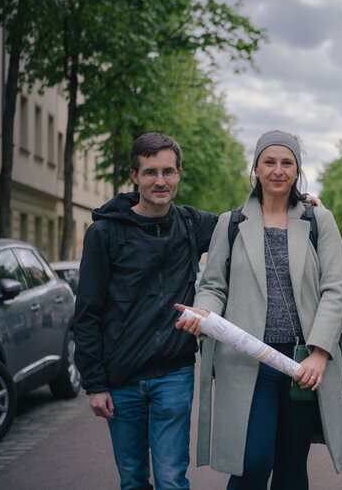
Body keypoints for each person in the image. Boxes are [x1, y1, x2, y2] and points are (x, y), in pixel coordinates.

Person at [175, 130, 342, 489]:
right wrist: (202, 311)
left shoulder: (318, 222)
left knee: (292, 465)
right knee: (253, 462)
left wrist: (320, 353)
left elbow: (335, 290)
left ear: (297, 171)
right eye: (269, 162)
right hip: (248, 361)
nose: (278, 170)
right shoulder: (230, 223)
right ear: (257, 169)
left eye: (287, 163)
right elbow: (214, 285)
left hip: (302, 364)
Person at [74, 132, 218, 490]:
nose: (160, 181)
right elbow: (88, 312)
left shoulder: (191, 224)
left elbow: (247, 222)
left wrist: (300, 202)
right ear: (135, 175)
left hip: (174, 373)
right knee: (134, 480)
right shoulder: (103, 233)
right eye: (150, 172)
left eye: (168, 172)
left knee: (171, 480)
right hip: (121, 379)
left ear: (179, 173)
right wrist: (95, 383)